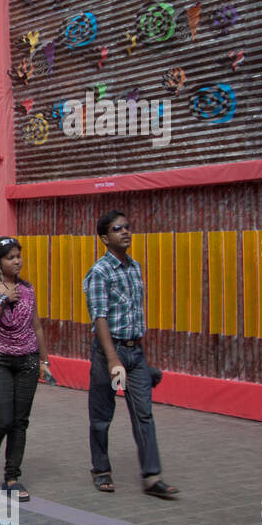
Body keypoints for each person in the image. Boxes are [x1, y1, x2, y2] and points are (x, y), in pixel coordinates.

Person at [83, 211, 179, 499]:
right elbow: (99, 317)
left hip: (135, 354)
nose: (125, 232)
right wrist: (113, 360)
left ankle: (152, 477)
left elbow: (134, 314)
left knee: (144, 415)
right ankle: (101, 471)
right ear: (104, 238)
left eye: (127, 227)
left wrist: (139, 354)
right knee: (102, 416)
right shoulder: (99, 272)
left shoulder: (135, 267)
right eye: (117, 229)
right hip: (108, 355)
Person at [0, 237, 48, 502]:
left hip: (27, 360)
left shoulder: (28, 289)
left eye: (18, 256)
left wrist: (44, 361)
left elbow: (36, 326)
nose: (17, 261)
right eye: (10, 257)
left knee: (20, 421)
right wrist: (2, 300)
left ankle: (13, 477)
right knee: (3, 418)